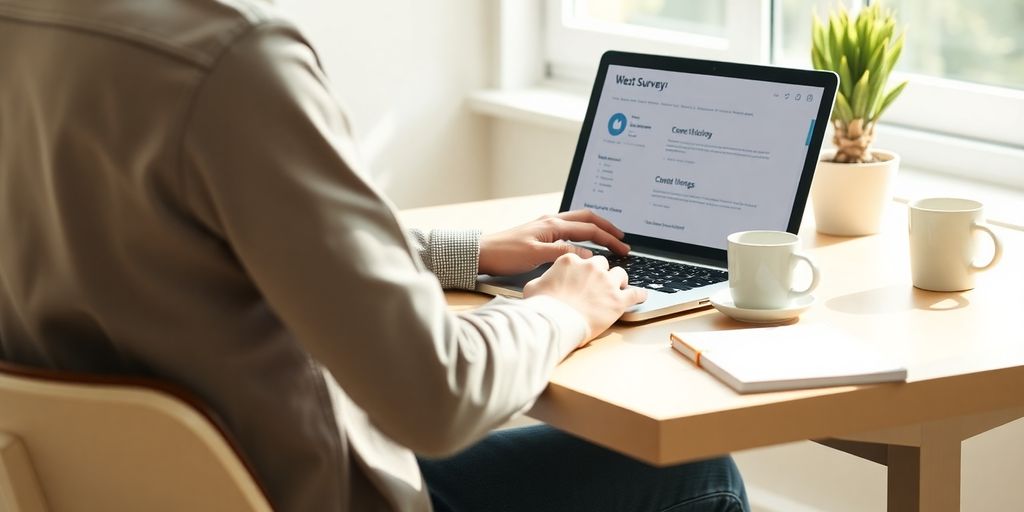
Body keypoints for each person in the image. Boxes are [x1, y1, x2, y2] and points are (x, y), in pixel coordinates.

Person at [0, 1, 748, 511]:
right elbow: (437, 395)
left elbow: (196, 235)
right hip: (303, 494)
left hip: (145, 491)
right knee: (695, 472)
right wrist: (560, 310)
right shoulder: (231, 60)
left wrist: (460, 252)